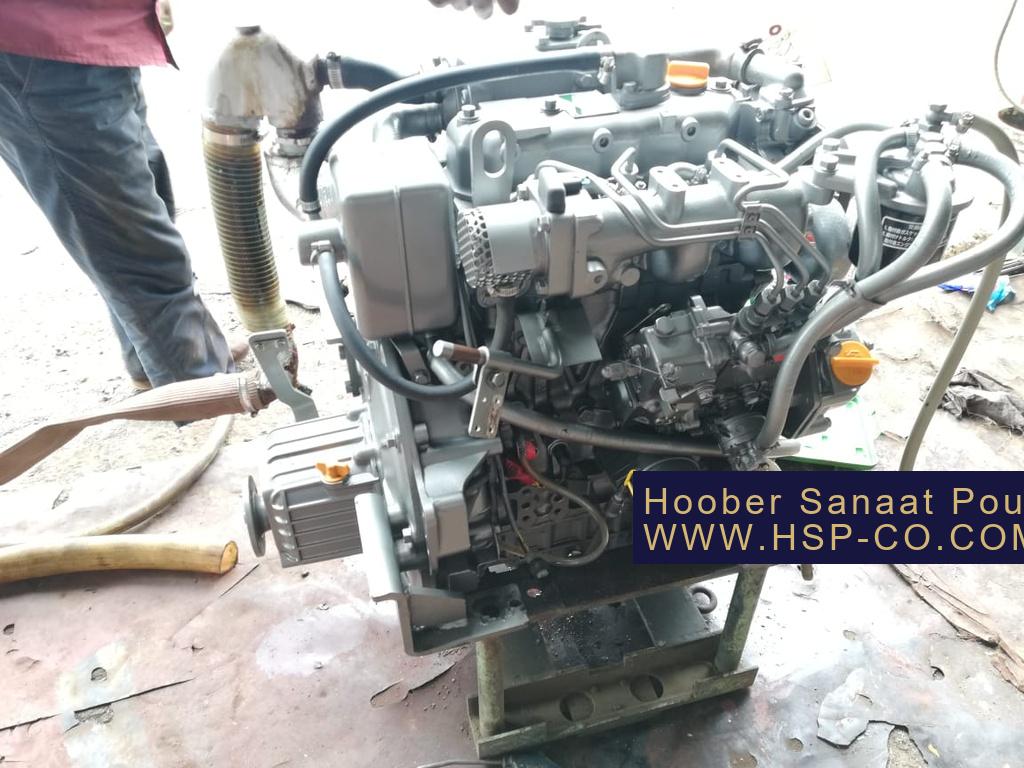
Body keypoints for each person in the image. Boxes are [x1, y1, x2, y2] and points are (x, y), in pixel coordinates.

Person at [0, 1, 238, 390]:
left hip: (96, 29)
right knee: (132, 239)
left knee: (139, 204)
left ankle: (162, 361)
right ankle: (197, 383)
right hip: (38, 41)